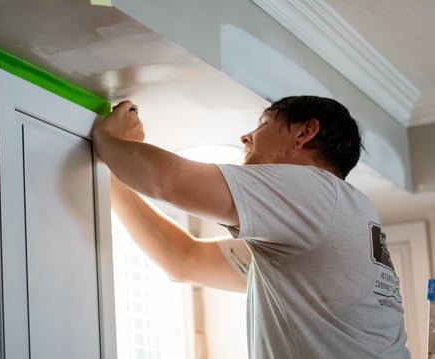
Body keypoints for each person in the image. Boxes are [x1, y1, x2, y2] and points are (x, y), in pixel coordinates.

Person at [91, 96, 410, 358]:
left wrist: (108, 139)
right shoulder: (317, 226)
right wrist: (111, 173)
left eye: (264, 123)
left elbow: (169, 181)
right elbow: (183, 258)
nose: (246, 137)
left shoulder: (316, 191)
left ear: (304, 133)